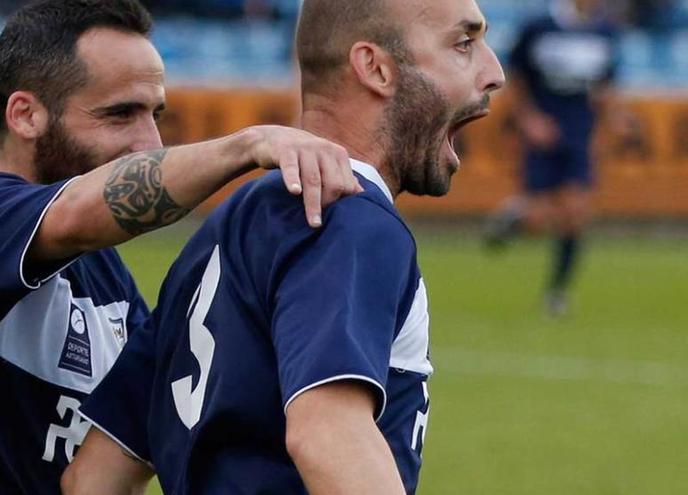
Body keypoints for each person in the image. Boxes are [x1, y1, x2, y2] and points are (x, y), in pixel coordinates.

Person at [0, 0, 362, 493]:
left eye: (155, 114)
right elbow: (82, 211)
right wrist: (247, 145)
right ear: (25, 115)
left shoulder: (109, 282)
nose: (148, 141)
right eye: (120, 114)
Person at [64, 0, 504, 493]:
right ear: (376, 68)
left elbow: (92, 477)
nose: (495, 72)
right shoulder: (349, 219)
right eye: (464, 44)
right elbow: (326, 436)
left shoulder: (217, 235)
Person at [484, 0, 622, 316]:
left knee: (576, 211)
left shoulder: (605, 31)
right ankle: (515, 218)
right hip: (543, 131)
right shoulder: (539, 27)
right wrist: (529, 119)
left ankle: (557, 292)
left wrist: (604, 127)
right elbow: (515, 78)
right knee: (539, 218)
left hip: (579, 131)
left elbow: (606, 86)